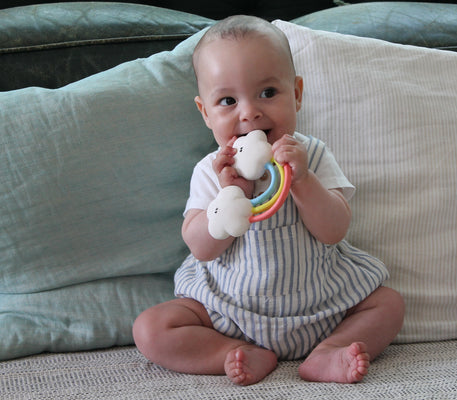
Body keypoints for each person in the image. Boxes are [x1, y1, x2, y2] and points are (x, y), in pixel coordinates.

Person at [133, 15, 405, 386]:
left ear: (296, 94)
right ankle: (229, 352)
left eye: (267, 93)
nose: (249, 112)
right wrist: (233, 195)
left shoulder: (313, 155)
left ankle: (327, 352)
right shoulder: (212, 171)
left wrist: (303, 179)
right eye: (227, 100)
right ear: (205, 113)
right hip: (228, 310)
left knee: (388, 304)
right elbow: (200, 247)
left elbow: (334, 230)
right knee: (151, 328)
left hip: (322, 302)